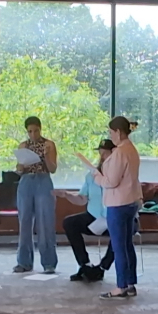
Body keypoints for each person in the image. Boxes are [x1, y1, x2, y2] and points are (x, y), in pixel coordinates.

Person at [96, 115, 142, 300]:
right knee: (127, 244)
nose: (110, 135)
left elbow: (111, 181)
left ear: (118, 132)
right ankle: (130, 283)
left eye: (111, 132)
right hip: (131, 201)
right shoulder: (131, 149)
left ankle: (121, 285)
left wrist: (96, 176)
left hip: (118, 203)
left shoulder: (120, 152)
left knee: (118, 246)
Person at [64, 138, 115, 282]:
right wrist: (67, 195)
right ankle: (84, 265)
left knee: (123, 230)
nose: (103, 158)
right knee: (70, 223)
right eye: (101, 154)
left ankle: (102, 268)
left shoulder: (118, 175)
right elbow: (82, 199)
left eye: (107, 154)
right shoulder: (91, 176)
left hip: (113, 217)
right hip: (94, 217)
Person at [13, 116, 58, 274]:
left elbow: (53, 169)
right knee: (24, 221)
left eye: (36, 131)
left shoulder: (49, 144)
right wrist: (20, 166)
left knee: (45, 221)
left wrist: (45, 156)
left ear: (40, 129)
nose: (33, 134)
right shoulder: (23, 145)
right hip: (26, 182)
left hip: (43, 181)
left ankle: (49, 262)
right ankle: (24, 261)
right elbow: (18, 170)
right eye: (30, 131)